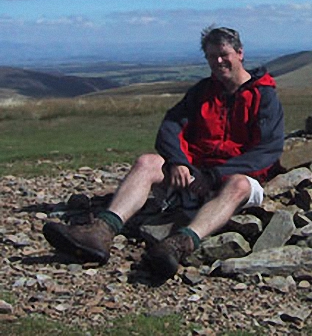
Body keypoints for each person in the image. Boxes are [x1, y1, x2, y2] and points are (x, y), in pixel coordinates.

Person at [43, 26, 285, 281]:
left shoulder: (264, 96)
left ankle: (180, 244)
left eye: (224, 54)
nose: (218, 61)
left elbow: (267, 149)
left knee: (238, 185)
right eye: (211, 56)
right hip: (195, 172)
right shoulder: (202, 91)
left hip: (234, 176)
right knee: (147, 162)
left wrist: (216, 175)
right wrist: (178, 162)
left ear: (240, 53)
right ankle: (101, 231)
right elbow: (170, 126)